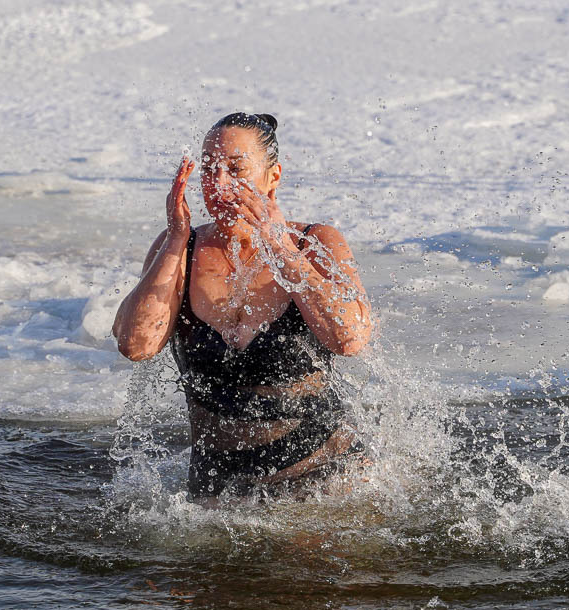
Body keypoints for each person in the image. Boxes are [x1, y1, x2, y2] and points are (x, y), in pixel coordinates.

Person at [112, 112, 373, 500]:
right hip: (217, 497)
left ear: (273, 176)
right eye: (209, 172)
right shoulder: (180, 249)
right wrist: (174, 239)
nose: (218, 185)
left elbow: (350, 337)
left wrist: (279, 246)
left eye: (235, 169)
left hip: (329, 487)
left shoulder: (314, 243)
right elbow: (136, 345)